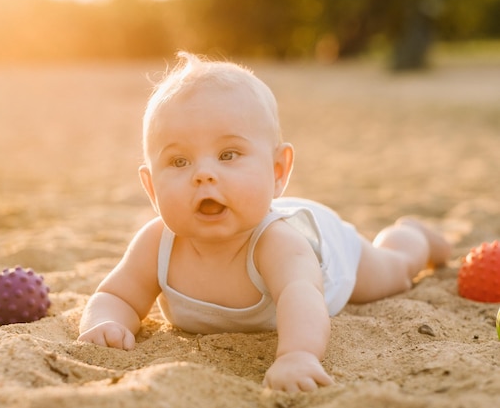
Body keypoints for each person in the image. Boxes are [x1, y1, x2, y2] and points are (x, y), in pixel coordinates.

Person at [77, 52, 452, 393]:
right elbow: (116, 295)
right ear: (150, 187)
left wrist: (296, 355)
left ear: (277, 171)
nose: (203, 174)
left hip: (328, 251)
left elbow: (300, 298)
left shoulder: (277, 244)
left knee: (396, 273)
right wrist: (106, 323)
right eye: (179, 162)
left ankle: (411, 236)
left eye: (228, 154)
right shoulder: (156, 243)